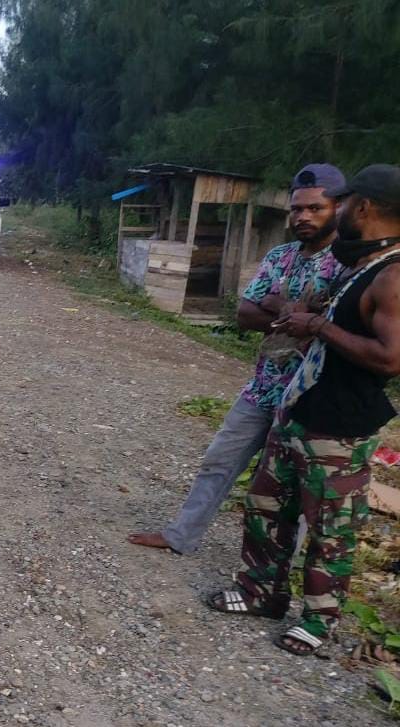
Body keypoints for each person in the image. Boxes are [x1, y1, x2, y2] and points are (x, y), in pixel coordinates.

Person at [208, 164, 400, 656]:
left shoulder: (393, 274)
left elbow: (390, 358)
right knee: (267, 506)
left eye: (342, 201)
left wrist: (318, 326)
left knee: (331, 529)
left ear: (364, 206)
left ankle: (318, 620)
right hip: (297, 410)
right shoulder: (361, 263)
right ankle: (260, 592)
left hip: (339, 428)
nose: (335, 210)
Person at [128, 164, 345, 554]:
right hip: (263, 388)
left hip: (310, 398)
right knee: (219, 460)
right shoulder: (281, 256)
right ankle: (181, 535)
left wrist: (280, 308)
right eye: (297, 209)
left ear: (339, 207)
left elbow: (335, 326)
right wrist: (294, 313)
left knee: (290, 484)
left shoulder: (347, 265)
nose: (303, 217)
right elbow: (244, 314)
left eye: (316, 208)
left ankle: (278, 565)